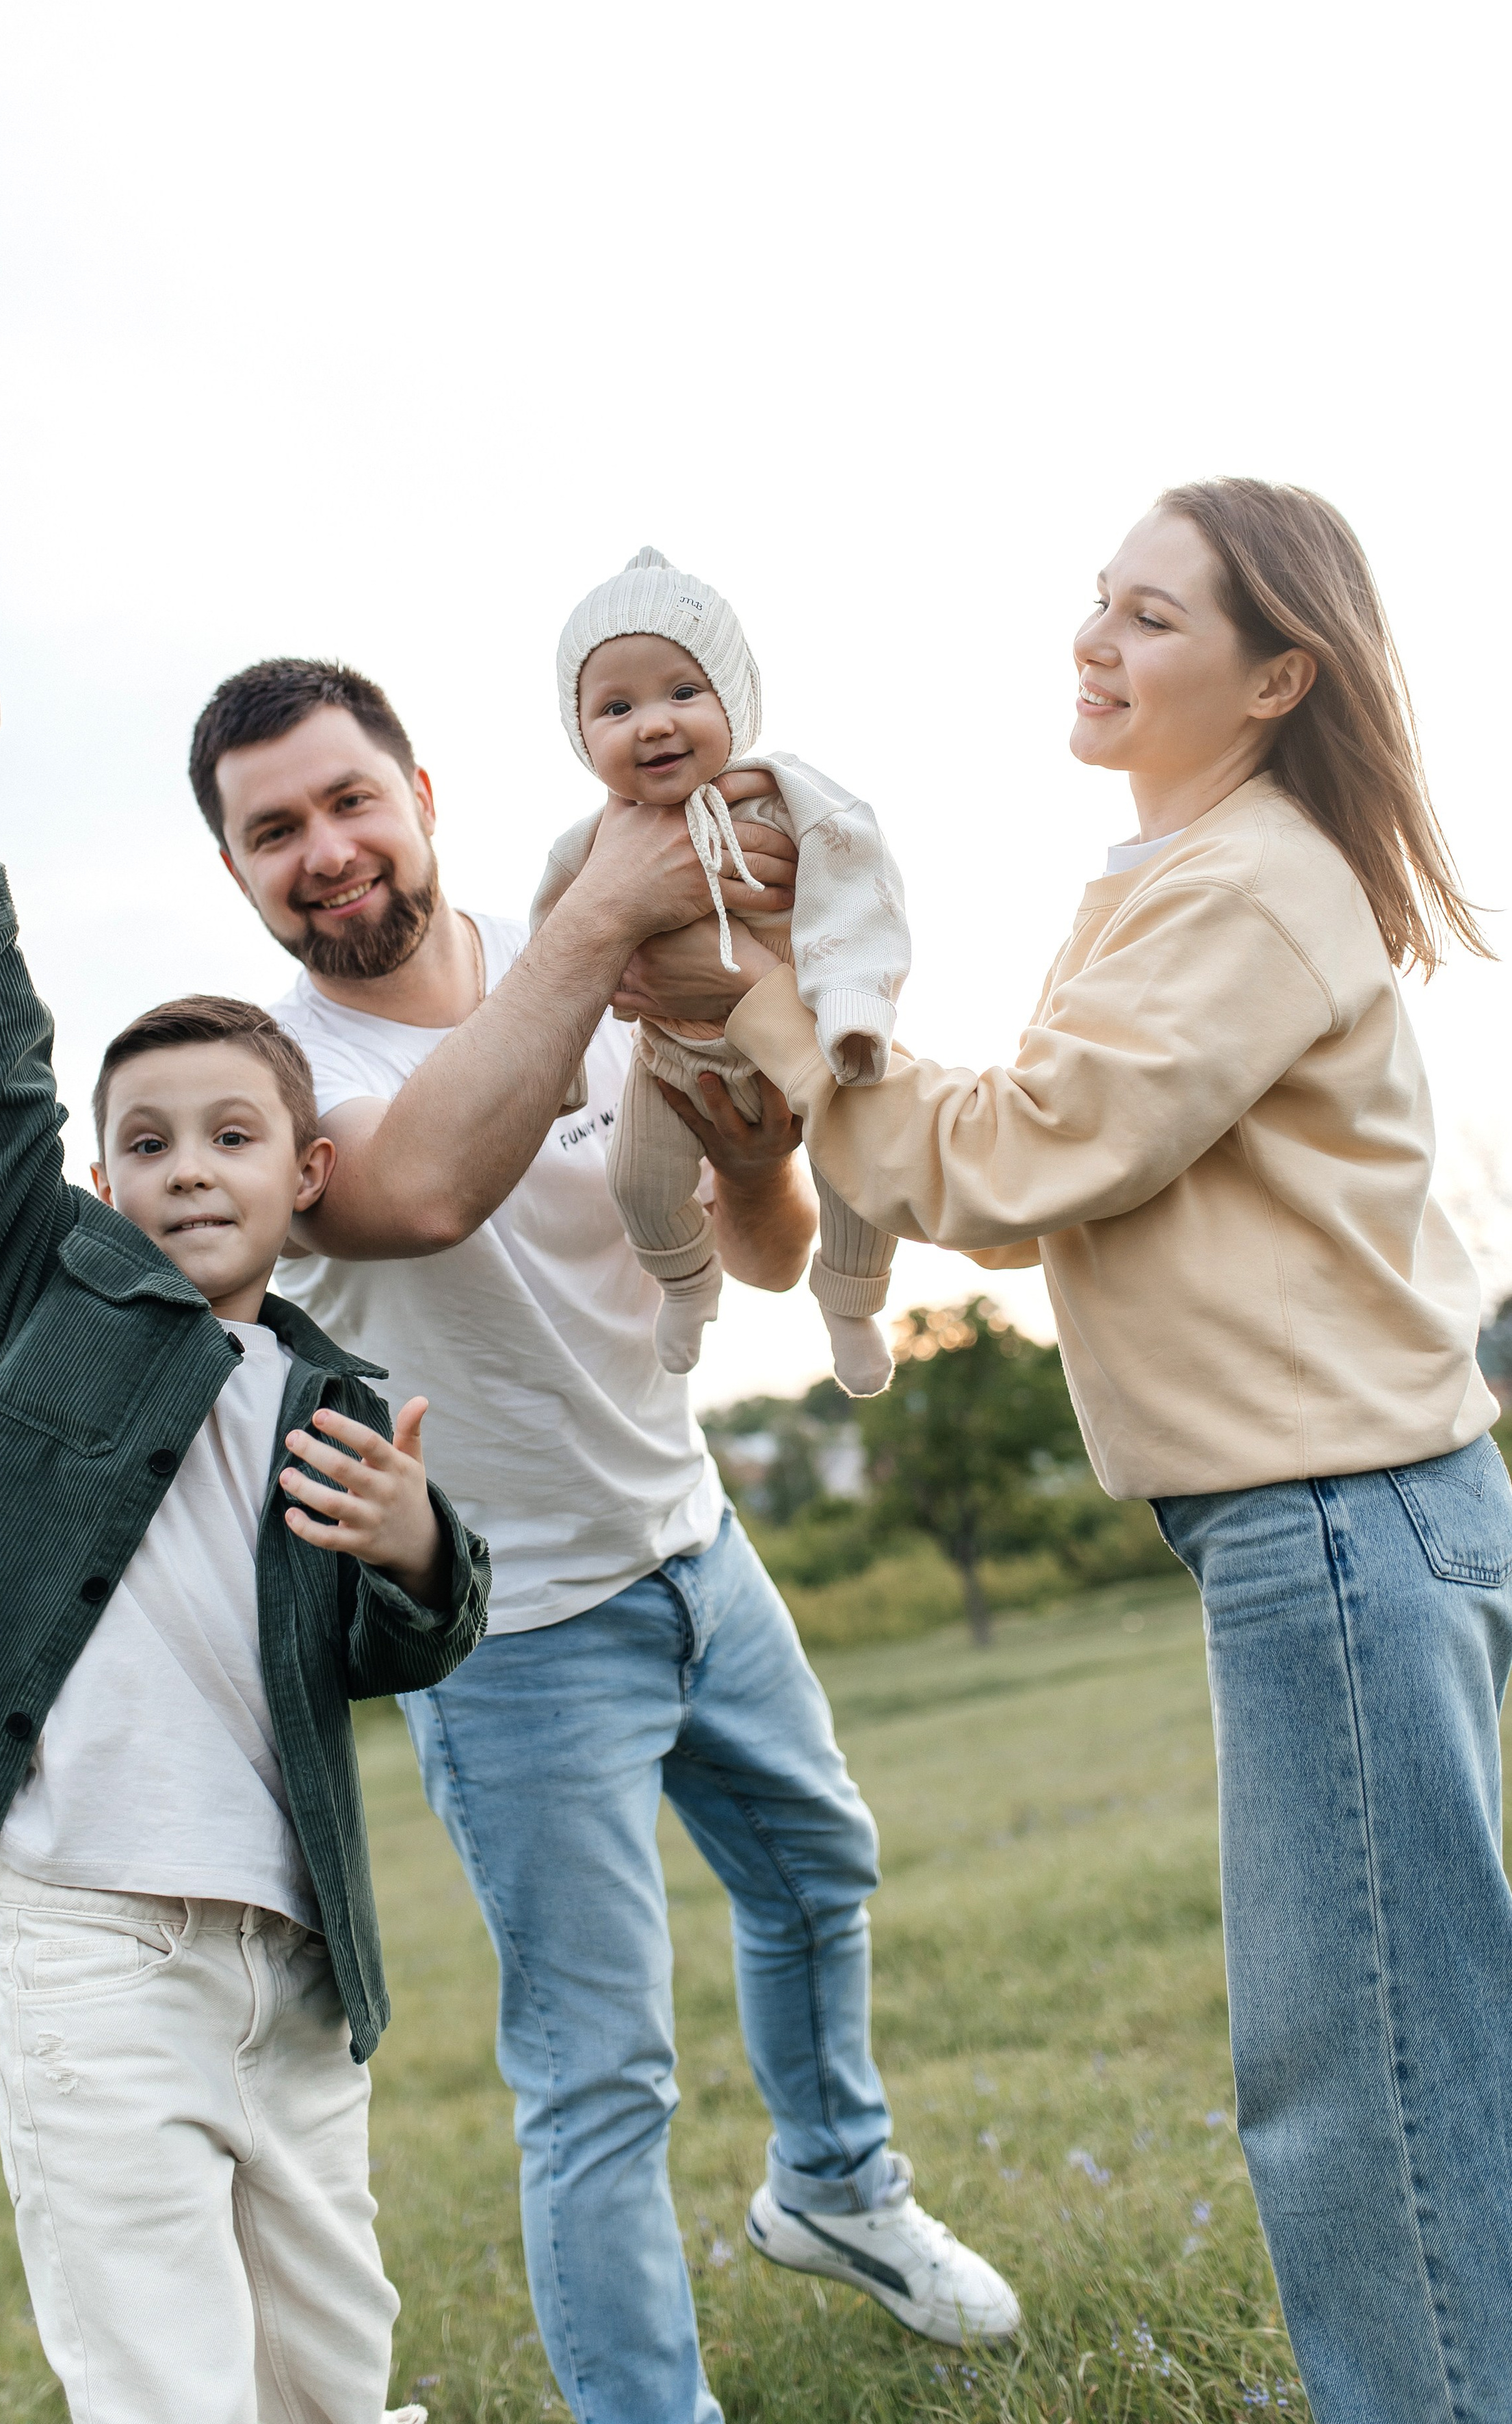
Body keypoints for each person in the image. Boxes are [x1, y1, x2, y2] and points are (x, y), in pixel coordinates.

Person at [616, 478, 1512, 2423]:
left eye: (1155, 618)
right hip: (1322, 1524)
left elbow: (1023, 1154)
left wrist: (766, 1009)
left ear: (1282, 676)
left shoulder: (1254, 887)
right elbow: (1033, 1201)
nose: (1095, 640)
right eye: (1097, 601)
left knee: (1369, 2075)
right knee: (1375, 2054)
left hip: (1339, 1521)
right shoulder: (1180, 880)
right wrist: (805, 1054)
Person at [185, 645, 1021, 2424]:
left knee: (819, 1873)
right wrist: (609, 919)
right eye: (273, 831)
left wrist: (753, 1146)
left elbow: (771, 1254)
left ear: (421, 799)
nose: (323, 848)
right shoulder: (277, 1090)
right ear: (238, 871)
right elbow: (419, 1188)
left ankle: (838, 2192)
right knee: (599, 2076)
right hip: (513, 1638)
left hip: (694, 1539)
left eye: (348, 799)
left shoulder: (590, 945)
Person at [0, 565, 491, 2424]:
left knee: (331, 2373)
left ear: (310, 1171)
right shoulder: (45, 1315)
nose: (186, 1168)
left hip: (292, 1955)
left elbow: (410, 1633)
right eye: (143, 1142)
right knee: (165, 2382)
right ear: (102, 1181)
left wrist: (421, 1546)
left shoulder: (340, 1392)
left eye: (230, 1137)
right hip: (89, 1931)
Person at [532, 546, 907, 1395]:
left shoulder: (787, 795)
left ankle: (850, 1302)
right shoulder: (591, 843)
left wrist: (852, 1002)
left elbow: (859, 887)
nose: (653, 723)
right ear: (581, 733)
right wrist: (558, 1062)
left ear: (734, 701)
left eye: (682, 692)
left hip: (811, 1043)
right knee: (635, 1180)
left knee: (862, 1173)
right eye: (616, 706)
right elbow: (553, 949)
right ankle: (686, 1285)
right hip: (672, 1054)